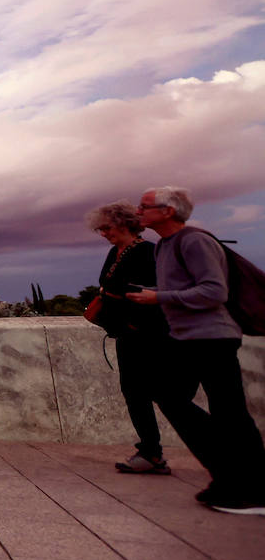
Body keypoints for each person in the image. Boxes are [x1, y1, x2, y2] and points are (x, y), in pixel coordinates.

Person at [127, 186, 265, 515]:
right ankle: (232, 479)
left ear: (168, 211)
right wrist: (153, 292)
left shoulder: (195, 241)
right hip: (187, 337)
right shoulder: (163, 246)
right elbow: (183, 288)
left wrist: (157, 298)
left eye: (144, 207)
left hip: (212, 337)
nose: (138, 212)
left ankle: (250, 490)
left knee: (227, 412)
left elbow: (214, 291)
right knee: (176, 397)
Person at [85, 200, 169, 474]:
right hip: (126, 334)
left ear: (123, 223)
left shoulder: (148, 252)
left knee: (164, 394)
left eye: (106, 228)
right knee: (133, 393)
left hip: (149, 333)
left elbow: (155, 293)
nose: (103, 234)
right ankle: (150, 451)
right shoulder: (115, 253)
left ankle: (217, 452)